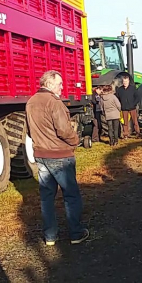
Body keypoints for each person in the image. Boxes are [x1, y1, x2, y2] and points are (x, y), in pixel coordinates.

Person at [26, 71, 90, 246]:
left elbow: (29, 131)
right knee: (71, 195)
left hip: (40, 154)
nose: (62, 87)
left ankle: (50, 236)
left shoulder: (30, 102)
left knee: (47, 197)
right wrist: (75, 140)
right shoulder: (54, 102)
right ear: (50, 84)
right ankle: (76, 233)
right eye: (60, 83)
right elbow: (63, 129)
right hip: (60, 155)